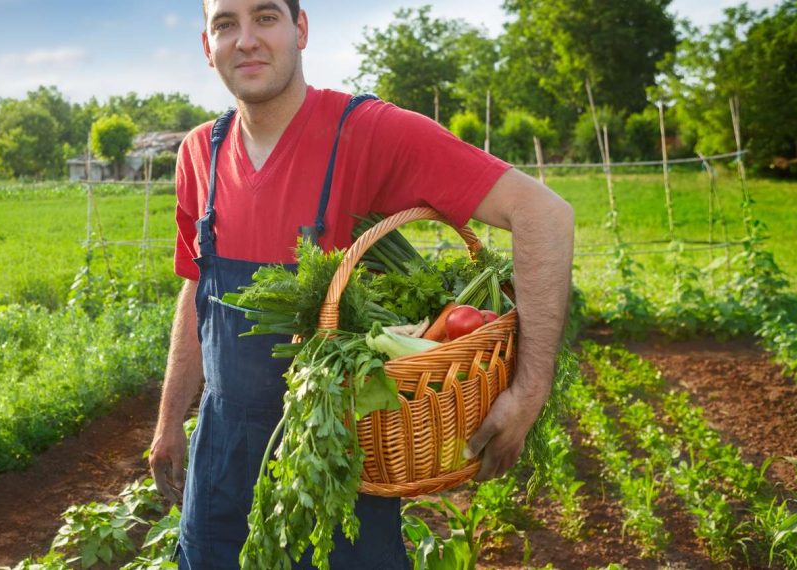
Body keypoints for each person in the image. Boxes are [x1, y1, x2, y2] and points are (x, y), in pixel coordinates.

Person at [148, 0, 575, 568]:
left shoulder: (367, 131)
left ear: (300, 29)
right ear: (207, 46)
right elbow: (198, 290)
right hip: (220, 461)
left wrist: (529, 390)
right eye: (225, 23)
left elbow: (544, 214)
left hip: (336, 461)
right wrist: (171, 418)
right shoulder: (200, 153)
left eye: (266, 17)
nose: (245, 39)